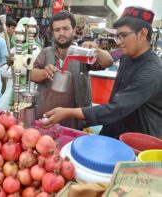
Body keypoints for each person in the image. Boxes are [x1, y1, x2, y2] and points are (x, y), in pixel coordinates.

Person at [42, 6, 162, 139]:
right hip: (113, 131)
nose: (119, 42)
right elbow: (110, 59)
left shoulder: (151, 72)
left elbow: (116, 109)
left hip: (137, 141)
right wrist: (96, 50)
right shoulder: (127, 54)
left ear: (143, 34)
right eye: (117, 36)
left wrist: (68, 112)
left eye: (123, 36)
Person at [31, 11, 113, 130]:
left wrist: (96, 50)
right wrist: (44, 73)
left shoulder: (82, 53)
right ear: (53, 32)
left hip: (74, 124)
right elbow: (32, 74)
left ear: (73, 30)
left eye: (65, 28)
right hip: (46, 120)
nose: (61, 33)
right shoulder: (46, 52)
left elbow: (108, 62)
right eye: (57, 30)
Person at [0, 17, 42, 111]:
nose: (23, 31)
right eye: (21, 28)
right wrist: (15, 66)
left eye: (26, 28)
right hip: (10, 89)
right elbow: (3, 72)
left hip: (26, 91)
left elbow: (26, 70)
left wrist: (13, 64)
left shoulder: (35, 49)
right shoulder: (13, 49)